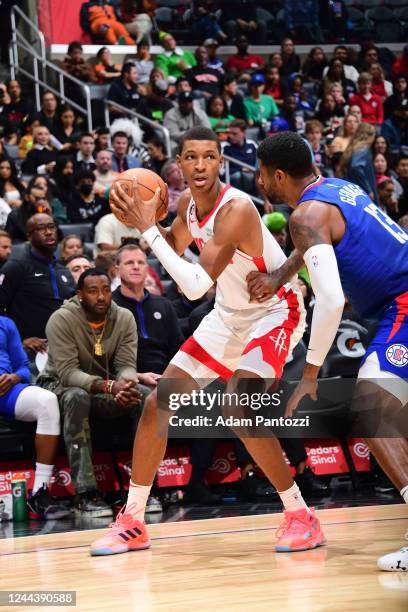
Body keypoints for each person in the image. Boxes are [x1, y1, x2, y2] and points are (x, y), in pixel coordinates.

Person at [90, 126, 324, 556]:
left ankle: (300, 514)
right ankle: (133, 520)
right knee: (156, 405)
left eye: (210, 157)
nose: (200, 165)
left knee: (238, 407)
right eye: (191, 157)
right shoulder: (185, 208)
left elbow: (196, 285)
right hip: (228, 317)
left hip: (274, 313)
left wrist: (149, 230)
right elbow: (172, 254)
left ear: (221, 162)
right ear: (178, 165)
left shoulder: (236, 209)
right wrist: (147, 221)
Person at [252, 130, 408, 572]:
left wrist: (310, 372)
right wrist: (281, 275)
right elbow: (313, 244)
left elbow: (333, 300)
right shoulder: (337, 189)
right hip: (397, 303)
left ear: (278, 174)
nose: (261, 183)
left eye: (263, 175)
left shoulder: (304, 215)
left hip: (404, 303)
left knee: (372, 406)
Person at [38, 268, 141, 517]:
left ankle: (146, 489)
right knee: (77, 396)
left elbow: (126, 364)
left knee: (145, 396)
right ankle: (86, 494)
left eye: (106, 290)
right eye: (93, 291)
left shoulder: (124, 317)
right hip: (58, 385)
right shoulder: (61, 319)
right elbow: (68, 373)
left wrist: (126, 385)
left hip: (105, 387)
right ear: (80, 294)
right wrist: (110, 386)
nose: (101, 297)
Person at [0, 315, 70, 520]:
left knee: (47, 401)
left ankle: (39, 492)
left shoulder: (6, 323)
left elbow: (22, 366)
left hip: (6, 390)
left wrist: (14, 377)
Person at [0, 212, 75, 355]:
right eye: (41, 228)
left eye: (51, 227)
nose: (48, 232)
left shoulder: (64, 271)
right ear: (29, 236)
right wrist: (20, 340)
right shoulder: (16, 267)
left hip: (64, 349)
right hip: (29, 352)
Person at [113, 244, 183, 379]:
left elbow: (177, 350)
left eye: (140, 262)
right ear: (117, 271)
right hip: (128, 379)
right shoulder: (108, 306)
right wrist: (138, 376)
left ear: (147, 269)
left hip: (165, 377)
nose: (136, 266)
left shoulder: (164, 305)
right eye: (129, 263)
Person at [338, 122, 378, 203]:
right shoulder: (363, 148)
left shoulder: (353, 147)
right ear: (370, 136)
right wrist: (368, 189)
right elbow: (356, 166)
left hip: (352, 191)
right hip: (362, 192)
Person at [221, 119, 257, 194]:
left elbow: (259, 164)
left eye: (234, 134)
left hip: (251, 179)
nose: (230, 136)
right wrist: (241, 169)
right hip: (231, 179)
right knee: (238, 176)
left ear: (244, 133)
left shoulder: (252, 144)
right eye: (229, 133)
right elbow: (221, 171)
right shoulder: (223, 146)